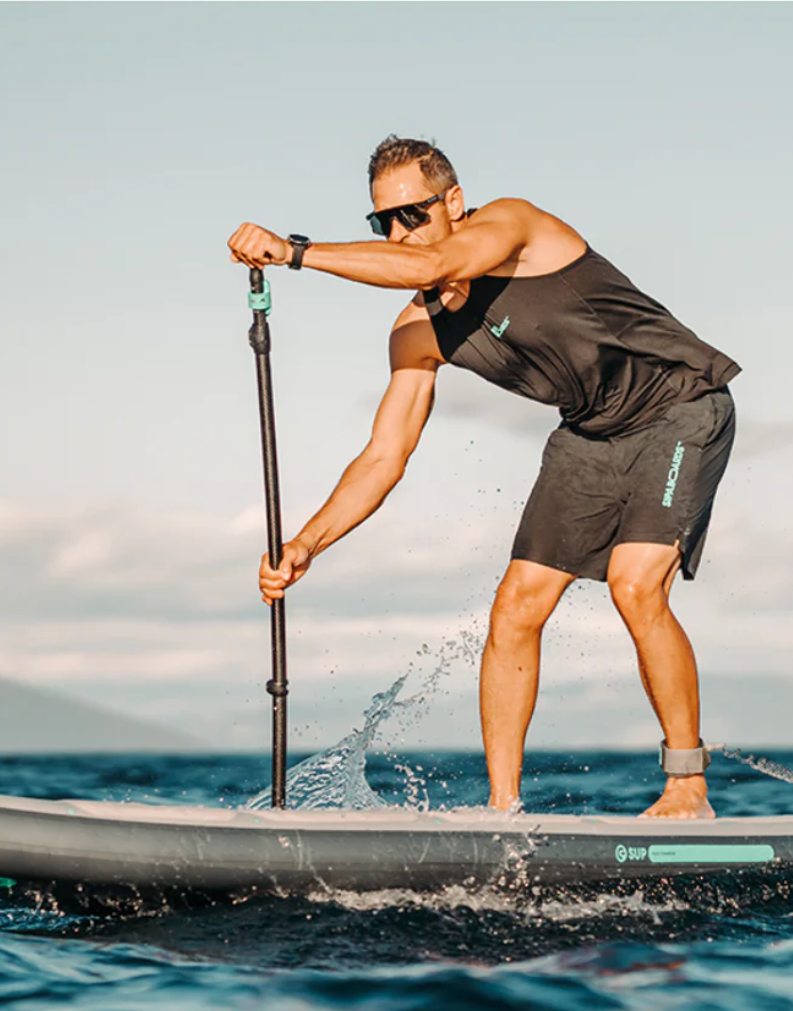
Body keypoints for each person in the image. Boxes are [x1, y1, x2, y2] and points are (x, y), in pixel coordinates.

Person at [228, 136, 740, 819]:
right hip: (588, 432)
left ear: (454, 205)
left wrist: (294, 252)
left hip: (680, 406)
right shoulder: (418, 331)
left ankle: (686, 788)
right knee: (515, 605)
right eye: (384, 222)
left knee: (634, 584)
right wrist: (306, 544)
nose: (401, 233)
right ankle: (504, 810)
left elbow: (439, 258)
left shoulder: (514, 227)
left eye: (413, 213)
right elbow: (384, 457)